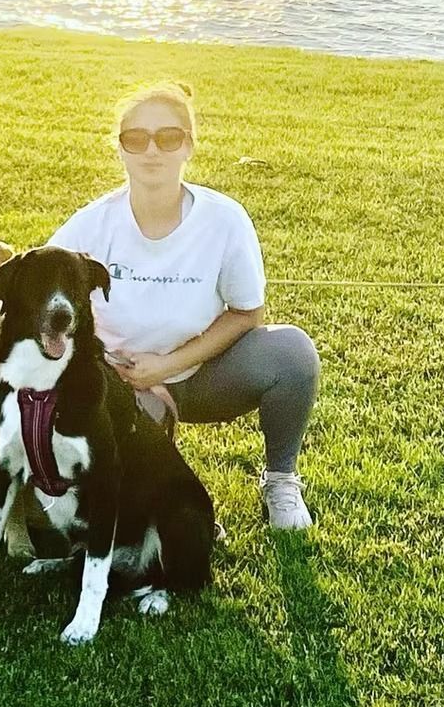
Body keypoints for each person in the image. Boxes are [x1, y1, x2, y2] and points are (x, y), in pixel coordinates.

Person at [47, 82, 321, 530]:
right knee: (140, 502)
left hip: (205, 375)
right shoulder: (91, 224)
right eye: (136, 139)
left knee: (292, 352)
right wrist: (106, 368)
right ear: (120, 149)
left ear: (188, 146)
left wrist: (167, 365)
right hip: (120, 382)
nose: (152, 150)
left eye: (168, 137)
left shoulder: (225, 219)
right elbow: (43, 293)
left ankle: (280, 482)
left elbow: (248, 313)